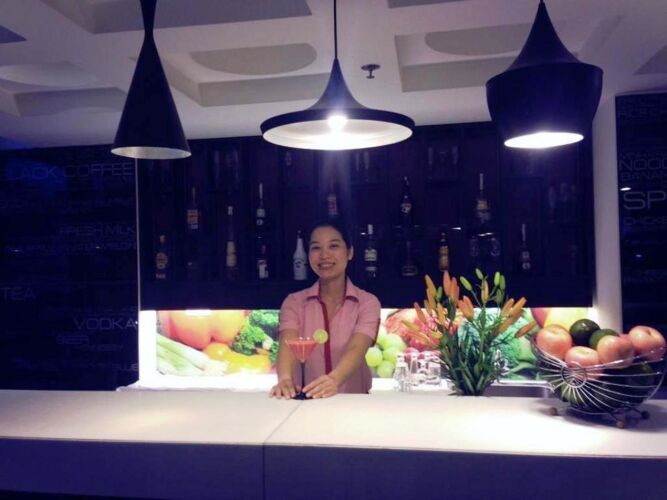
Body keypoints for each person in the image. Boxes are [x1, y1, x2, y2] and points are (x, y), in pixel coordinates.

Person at [270, 219, 381, 399]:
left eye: (333, 246)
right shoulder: (294, 302)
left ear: (350, 252)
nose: (324, 255)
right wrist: (284, 379)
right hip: (305, 403)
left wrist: (333, 381)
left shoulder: (367, 303)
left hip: (353, 403)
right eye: (316, 248)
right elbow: (288, 344)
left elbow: (357, 348)